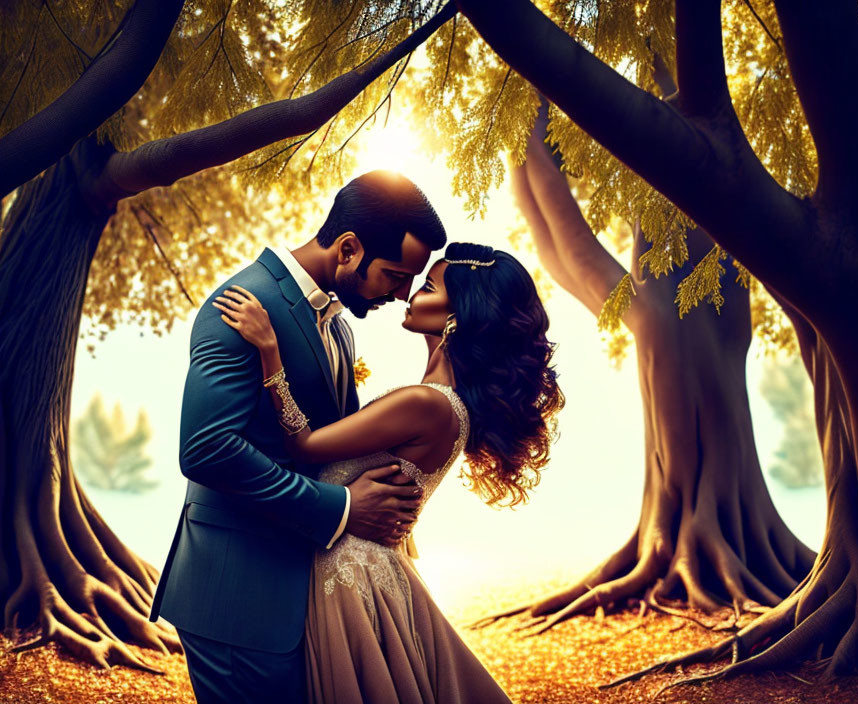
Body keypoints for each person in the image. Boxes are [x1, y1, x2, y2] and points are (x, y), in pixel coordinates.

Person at [218, 241, 565, 703]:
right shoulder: (445, 403)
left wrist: (269, 355)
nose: (409, 295)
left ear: (456, 312)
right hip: (368, 570)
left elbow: (302, 445)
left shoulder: (426, 403)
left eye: (428, 286)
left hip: (349, 578)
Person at [149, 171, 447, 703]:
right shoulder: (242, 306)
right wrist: (341, 508)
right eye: (396, 275)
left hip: (299, 591)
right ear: (349, 249)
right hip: (240, 597)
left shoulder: (339, 323)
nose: (402, 294)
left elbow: (326, 438)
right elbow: (207, 449)